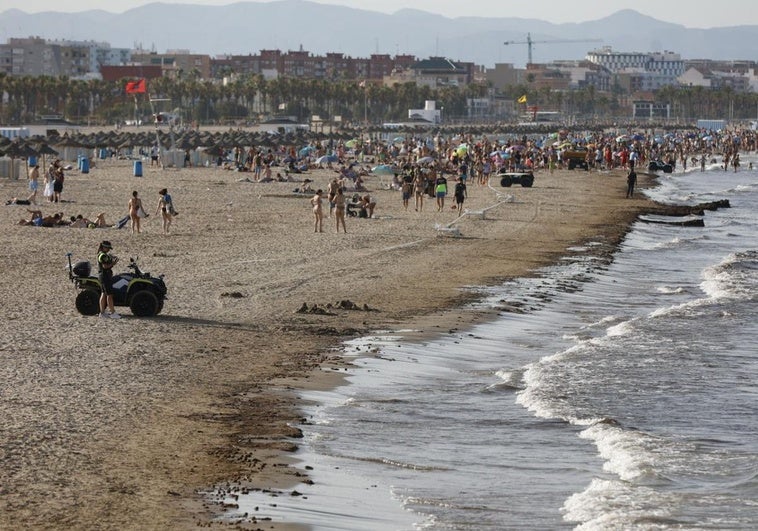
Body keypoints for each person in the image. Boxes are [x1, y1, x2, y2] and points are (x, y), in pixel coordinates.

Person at [97, 240, 120, 319]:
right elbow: (105, 266)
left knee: (103, 294)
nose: (109, 250)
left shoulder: (102, 254)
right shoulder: (102, 255)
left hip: (103, 276)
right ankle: (112, 312)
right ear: (104, 247)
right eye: (108, 248)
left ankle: (102, 312)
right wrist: (113, 263)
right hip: (105, 276)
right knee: (109, 295)